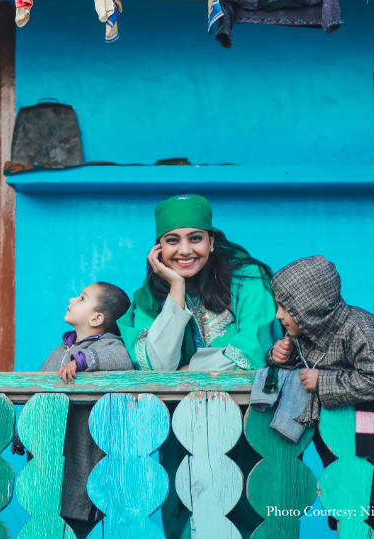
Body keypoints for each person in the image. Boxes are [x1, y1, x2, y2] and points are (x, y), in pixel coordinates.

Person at [117, 194, 280, 538]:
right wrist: (176, 289)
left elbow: (252, 351)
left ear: (212, 241)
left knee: (252, 519)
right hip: (182, 431)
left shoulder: (247, 279)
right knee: (186, 521)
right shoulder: (149, 298)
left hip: (248, 425)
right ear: (158, 248)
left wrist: (186, 372)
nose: (184, 250)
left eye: (195, 238)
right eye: (172, 240)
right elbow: (157, 366)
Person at [268, 255, 374, 535]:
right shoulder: (307, 333)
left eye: (286, 307)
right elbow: (304, 362)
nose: (278, 315)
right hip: (339, 428)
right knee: (342, 490)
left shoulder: (360, 329)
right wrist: (279, 357)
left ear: (311, 307)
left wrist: (323, 381)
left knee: (369, 492)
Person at [12, 282, 133, 538]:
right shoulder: (59, 351)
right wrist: (22, 433)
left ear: (96, 318)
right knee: (48, 514)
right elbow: (37, 396)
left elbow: (122, 360)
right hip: (51, 452)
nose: (72, 300)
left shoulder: (108, 345)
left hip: (83, 452)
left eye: (82, 298)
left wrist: (82, 361)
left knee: (78, 515)